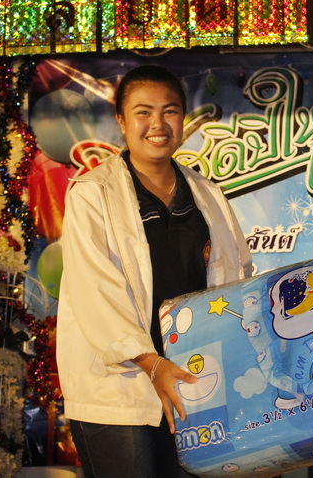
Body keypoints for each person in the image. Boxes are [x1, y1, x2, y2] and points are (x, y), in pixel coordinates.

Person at [56, 64, 253, 477]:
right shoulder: (92, 194)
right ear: (121, 120)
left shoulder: (207, 194)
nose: (158, 124)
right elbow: (96, 291)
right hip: (119, 388)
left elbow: (238, 274)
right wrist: (152, 363)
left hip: (195, 382)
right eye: (143, 112)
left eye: (170, 111)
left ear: (183, 118)